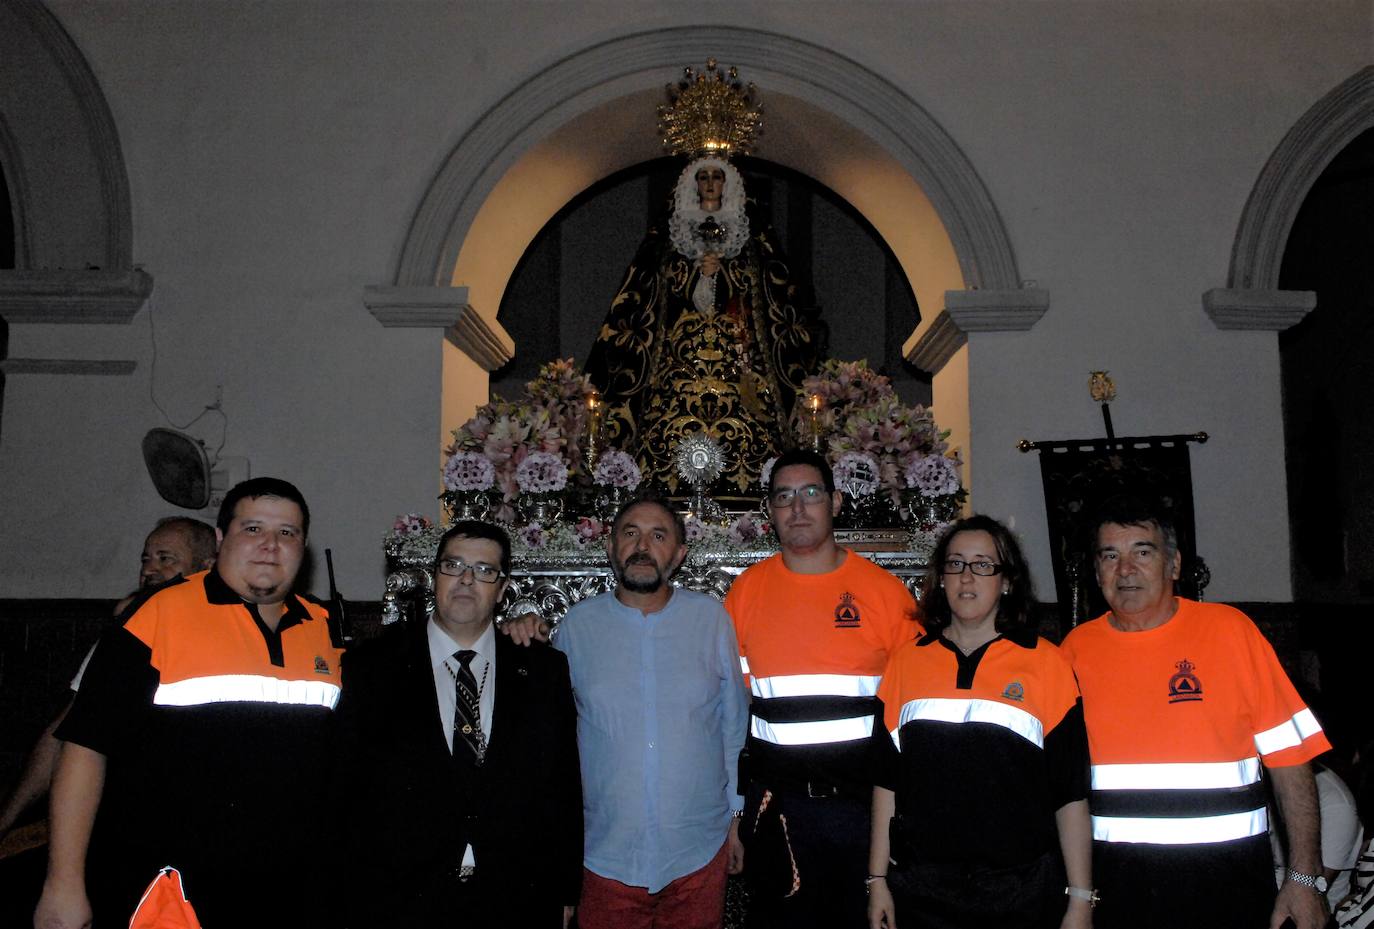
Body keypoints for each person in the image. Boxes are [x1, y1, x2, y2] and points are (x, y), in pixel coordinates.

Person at [34, 479, 341, 929]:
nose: (270, 546)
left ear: (304, 546)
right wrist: (62, 885)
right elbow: (84, 749)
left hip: (284, 892)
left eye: (287, 533)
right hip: (171, 890)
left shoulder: (324, 628)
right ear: (220, 540)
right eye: (253, 528)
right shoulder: (158, 614)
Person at [1059, 495, 1332, 929]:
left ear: (1174, 565)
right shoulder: (1073, 652)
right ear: (1097, 572)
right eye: (1110, 555)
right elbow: (1061, 788)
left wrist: (1304, 878)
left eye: (1142, 552)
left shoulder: (1230, 633)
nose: (1125, 569)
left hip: (1229, 886)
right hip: (1119, 890)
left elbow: (1291, 762)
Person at [335, 520, 581, 928]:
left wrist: (565, 887)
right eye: (453, 565)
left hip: (515, 892)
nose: (466, 579)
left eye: (484, 571)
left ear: (502, 589)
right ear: (435, 576)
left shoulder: (542, 670)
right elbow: (346, 786)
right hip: (401, 894)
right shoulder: (374, 666)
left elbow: (563, 785)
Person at [866, 515, 1092, 929]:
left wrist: (1080, 900)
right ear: (941, 577)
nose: (966, 577)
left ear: (1007, 581)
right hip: (924, 889)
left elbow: (1070, 794)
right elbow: (887, 783)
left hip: (1019, 890)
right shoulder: (907, 662)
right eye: (955, 564)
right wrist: (877, 879)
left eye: (983, 564)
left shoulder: (1046, 663)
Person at [725, 447, 919, 929]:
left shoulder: (883, 593)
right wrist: (735, 814)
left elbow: (912, 712)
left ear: (834, 502)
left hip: (864, 814)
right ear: (770, 511)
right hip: (779, 816)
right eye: (784, 496)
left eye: (810, 493)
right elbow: (733, 711)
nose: (797, 507)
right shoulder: (746, 593)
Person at [553, 494, 749, 929]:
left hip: (698, 851)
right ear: (610, 547)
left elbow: (734, 726)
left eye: (658, 536)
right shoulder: (577, 627)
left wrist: (737, 818)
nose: (642, 546)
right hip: (603, 856)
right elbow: (555, 741)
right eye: (630, 533)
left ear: (678, 555)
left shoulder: (710, 621)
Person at [583, 156, 823, 494]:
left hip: (738, 351)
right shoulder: (671, 237)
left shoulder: (750, 239)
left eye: (717, 177)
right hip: (680, 353)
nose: (710, 183)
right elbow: (653, 294)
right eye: (704, 177)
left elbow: (768, 298)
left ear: (728, 184)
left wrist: (724, 273)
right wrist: (694, 273)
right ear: (693, 184)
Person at [0, 517, 217, 846]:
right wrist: (6, 821)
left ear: (205, 569)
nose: (149, 569)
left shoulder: (223, 638)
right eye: (146, 559)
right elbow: (65, 731)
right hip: (118, 828)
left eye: (165, 558)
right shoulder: (125, 635)